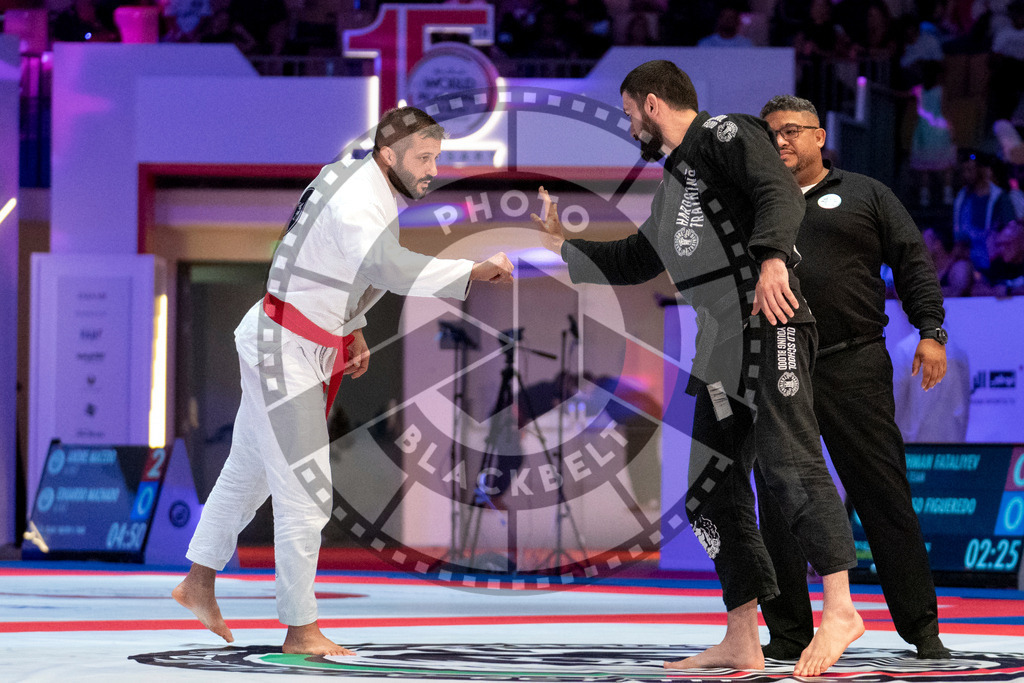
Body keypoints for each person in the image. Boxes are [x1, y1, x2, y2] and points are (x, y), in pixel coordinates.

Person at [533, 60, 863, 677]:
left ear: (652, 103)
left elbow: (778, 192)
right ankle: (742, 635)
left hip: (772, 316)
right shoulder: (675, 183)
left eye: (629, 110)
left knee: (790, 463)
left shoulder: (729, 135)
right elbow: (635, 259)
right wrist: (560, 245)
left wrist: (770, 261)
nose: (629, 121)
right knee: (708, 489)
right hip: (720, 340)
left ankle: (841, 609)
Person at [172, 107, 515, 656]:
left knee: (249, 471)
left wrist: (350, 330)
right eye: (423, 158)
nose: (432, 169)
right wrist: (469, 270)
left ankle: (198, 583)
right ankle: (299, 629)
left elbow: (320, 261)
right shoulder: (361, 200)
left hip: (283, 336)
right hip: (283, 348)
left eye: (437, 158)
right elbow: (388, 267)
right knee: (307, 493)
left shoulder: (352, 178)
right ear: (389, 154)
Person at [756, 94, 951, 661]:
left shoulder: (866, 194)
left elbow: (912, 260)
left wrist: (931, 331)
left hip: (854, 361)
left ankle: (921, 627)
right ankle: (789, 632)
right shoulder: (758, 203)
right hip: (780, 362)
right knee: (779, 499)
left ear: (820, 136)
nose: (782, 142)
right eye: (771, 135)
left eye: (792, 131)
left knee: (882, 493)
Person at [953, 151, 1017, 274]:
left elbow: (1011, 229)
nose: (966, 175)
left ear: (981, 170)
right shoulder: (962, 198)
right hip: (968, 258)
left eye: (970, 170)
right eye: (964, 171)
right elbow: (959, 234)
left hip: (995, 256)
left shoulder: (1000, 197)